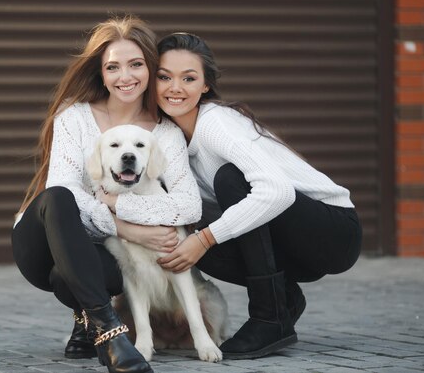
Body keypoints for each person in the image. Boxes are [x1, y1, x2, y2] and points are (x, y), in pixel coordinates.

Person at [154, 32, 362, 360]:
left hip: (334, 231)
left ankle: (268, 317)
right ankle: (284, 300)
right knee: (187, 230)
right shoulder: (170, 138)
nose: (175, 88)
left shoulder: (216, 123)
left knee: (230, 180)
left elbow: (276, 192)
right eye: (164, 77)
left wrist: (205, 238)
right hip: (292, 246)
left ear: (205, 85)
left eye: (188, 78)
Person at [11, 17, 202, 373]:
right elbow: (64, 188)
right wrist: (125, 227)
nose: (125, 77)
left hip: (89, 259)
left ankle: (85, 315)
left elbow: (189, 204)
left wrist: (121, 206)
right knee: (58, 198)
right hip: (41, 245)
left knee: (85, 275)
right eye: (113, 67)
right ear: (100, 73)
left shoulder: (164, 134)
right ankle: (108, 331)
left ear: (150, 68)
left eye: (135, 65)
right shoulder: (74, 116)